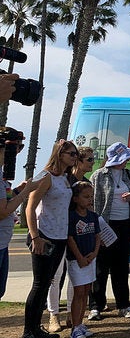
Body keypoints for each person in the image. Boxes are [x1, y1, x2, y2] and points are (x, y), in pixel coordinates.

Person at [22, 139, 77, 338]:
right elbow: (29, 207)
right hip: (44, 235)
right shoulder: (46, 177)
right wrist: (35, 236)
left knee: (48, 281)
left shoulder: (63, 177)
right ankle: (29, 331)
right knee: (39, 284)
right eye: (71, 153)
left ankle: (37, 328)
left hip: (60, 235)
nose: (74, 157)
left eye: (75, 154)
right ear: (59, 154)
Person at [88, 142, 130, 321]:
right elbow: (93, 203)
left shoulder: (129, 174)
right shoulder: (98, 176)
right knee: (100, 268)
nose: (127, 161)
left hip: (124, 225)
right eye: (124, 157)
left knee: (121, 267)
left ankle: (123, 304)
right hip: (105, 224)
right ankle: (96, 306)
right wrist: (97, 229)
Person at [47, 146, 95, 332]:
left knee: (76, 277)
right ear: (78, 161)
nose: (92, 162)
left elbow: (89, 208)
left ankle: (71, 314)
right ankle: (53, 315)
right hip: (59, 232)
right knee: (56, 275)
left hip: (80, 234)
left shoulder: (87, 182)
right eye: (89, 159)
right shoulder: (65, 179)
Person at [0, 128, 37, 301]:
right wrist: (25, 193)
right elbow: (3, 212)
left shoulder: (2, 175)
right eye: (16, 147)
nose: (17, 152)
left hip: (3, 242)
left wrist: (17, 191)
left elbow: (5, 202)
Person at [67, 181, 101, 338]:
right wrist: (80, 258)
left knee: (87, 290)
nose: (89, 200)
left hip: (90, 259)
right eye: (86, 196)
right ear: (75, 198)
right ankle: (74, 328)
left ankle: (80, 324)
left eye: (91, 197)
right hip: (76, 260)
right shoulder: (72, 216)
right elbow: (70, 238)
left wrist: (94, 253)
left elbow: (97, 236)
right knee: (78, 292)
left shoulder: (93, 216)